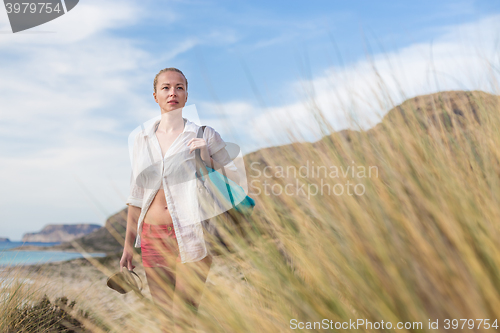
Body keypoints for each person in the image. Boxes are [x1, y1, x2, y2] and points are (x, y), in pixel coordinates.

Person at [120, 67, 239, 331]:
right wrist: (128, 246)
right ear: (155, 96)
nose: (172, 92)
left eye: (179, 87)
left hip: (192, 232)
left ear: (186, 96)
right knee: (164, 319)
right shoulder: (142, 139)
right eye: (166, 87)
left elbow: (236, 182)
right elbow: (136, 196)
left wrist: (207, 159)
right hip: (151, 235)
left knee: (184, 316)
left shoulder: (204, 135)